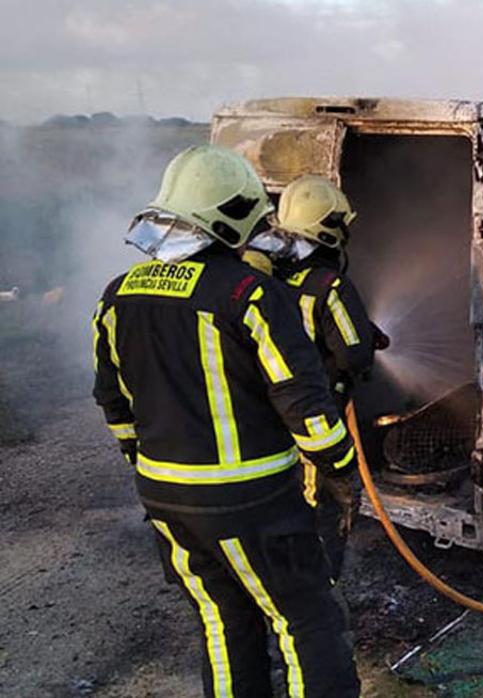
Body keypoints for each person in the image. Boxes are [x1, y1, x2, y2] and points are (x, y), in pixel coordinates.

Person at [92, 145, 360, 697]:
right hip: (253, 500)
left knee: (222, 621)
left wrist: (145, 460)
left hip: (166, 500)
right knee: (305, 620)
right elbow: (305, 404)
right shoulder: (248, 294)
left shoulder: (118, 295)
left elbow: (114, 403)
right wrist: (340, 467)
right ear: (232, 218)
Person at [246, 174, 385, 581]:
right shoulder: (330, 285)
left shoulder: (265, 280)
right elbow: (354, 353)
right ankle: (318, 589)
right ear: (328, 228)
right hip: (316, 416)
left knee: (279, 501)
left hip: (267, 417)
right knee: (324, 504)